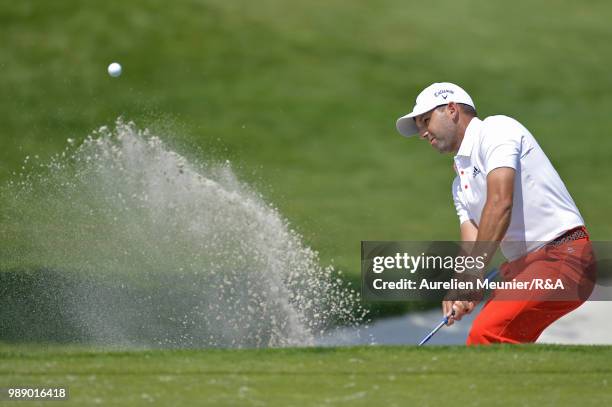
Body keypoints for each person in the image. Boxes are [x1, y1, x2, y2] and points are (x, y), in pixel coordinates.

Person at [395, 82, 595, 345]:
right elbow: (472, 236)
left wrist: (473, 273)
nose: (422, 133)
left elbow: (501, 203)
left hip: (563, 255)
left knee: (487, 335)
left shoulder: (497, 130)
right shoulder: (460, 182)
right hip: (525, 267)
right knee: (490, 342)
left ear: (452, 109)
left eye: (426, 120)